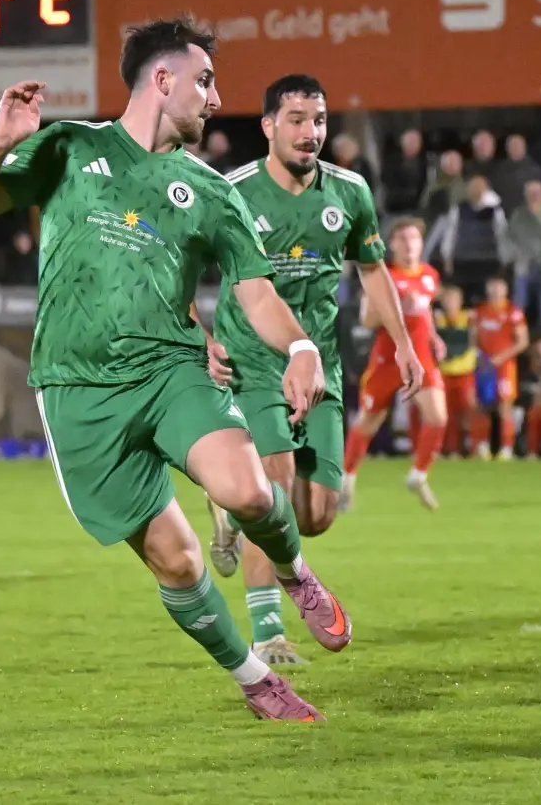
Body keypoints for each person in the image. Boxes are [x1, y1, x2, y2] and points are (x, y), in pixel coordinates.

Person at [0, 17, 347, 720]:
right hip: (76, 390)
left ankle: (294, 571)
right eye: (206, 81)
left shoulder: (212, 189)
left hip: (170, 370)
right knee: (181, 563)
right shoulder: (70, 147)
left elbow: (255, 288)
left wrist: (302, 348)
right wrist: (2, 141)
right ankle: (255, 679)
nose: (217, 99)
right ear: (163, 81)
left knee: (249, 493)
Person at [206, 74, 421, 666]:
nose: (310, 132)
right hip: (253, 362)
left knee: (317, 515)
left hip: (320, 365)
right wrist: (201, 337)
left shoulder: (350, 192)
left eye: (319, 120)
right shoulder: (233, 190)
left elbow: (374, 270)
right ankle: (269, 635)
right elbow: (179, 266)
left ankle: (227, 505)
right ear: (269, 126)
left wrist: (402, 342)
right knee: (271, 493)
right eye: (297, 119)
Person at [343, 218, 448, 509]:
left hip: (421, 357)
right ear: (392, 245)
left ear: (421, 243)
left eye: (413, 238)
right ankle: (347, 478)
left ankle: (418, 474)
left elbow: (424, 313)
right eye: (402, 239)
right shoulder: (382, 276)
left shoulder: (430, 275)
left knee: (438, 417)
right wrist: (400, 305)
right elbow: (367, 320)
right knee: (369, 420)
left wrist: (434, 336)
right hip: (387, 358)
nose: (408, 243)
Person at [470, 275, 528, 459]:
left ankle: (506, 448)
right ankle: (482, 446)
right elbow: (473, 337)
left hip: (505, 366)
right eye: (492, 287)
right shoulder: (479, 311)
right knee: (482, 405)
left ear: (505, 290)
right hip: (484, 364)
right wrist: (477, 355)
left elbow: (523, 341)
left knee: (504, 406)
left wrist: (501, 357)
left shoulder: (513, 312)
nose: (495, 291)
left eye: (499, 287)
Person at [435, 284, 478, 459]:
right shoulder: (437, 318)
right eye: (447, 299)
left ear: (461, 301)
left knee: (468, 411)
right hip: (444, 372)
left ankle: (474, 447)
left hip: (464, 371)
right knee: (447, 413)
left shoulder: (468, 318)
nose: (451, 302)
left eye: (454, 299)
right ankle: (451, 449)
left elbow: (472, 341)